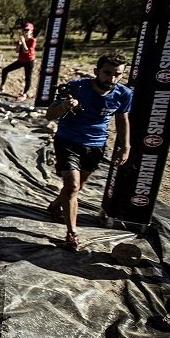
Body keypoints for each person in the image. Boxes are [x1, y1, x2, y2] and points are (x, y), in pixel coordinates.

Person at [45, 53, 132, 250]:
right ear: (96, 72)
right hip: (68, 141)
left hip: (96, 145)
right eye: (107, 73)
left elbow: (122, 119)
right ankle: (72, 233)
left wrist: (125, 146)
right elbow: (49, 115)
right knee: (72, 186)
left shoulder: (123, 94)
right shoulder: (76, 87)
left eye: (117, 74)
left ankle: (56, 204)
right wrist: (64, 106)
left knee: (77, 186)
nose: (111, 78)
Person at [0, 22, 37, 101]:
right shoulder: (21, 39)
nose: (26, 32)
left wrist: (23, 42)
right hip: (21, 60)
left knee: (28, 78)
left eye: (28, 30)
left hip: (29, 61)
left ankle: (24, 94)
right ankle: (1, 86)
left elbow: (26, 51)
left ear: (31, 31)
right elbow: (17, 51)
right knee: (5, 70)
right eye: (24, 30)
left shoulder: (32, 40)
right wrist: (19, 44)